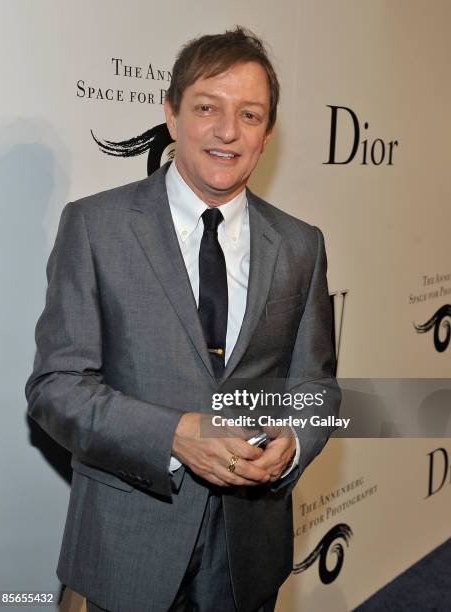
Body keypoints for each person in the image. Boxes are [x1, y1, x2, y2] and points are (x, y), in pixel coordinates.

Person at [26, 27, 340, 612]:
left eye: (249, 114)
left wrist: (295, 439)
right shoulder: (96, 227)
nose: (227, 132)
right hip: (126, 544)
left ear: (268, 132)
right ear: (171, 116)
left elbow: (316, 388)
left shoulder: (301, 245)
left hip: (249, 551)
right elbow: (55, 388)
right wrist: (173, 435)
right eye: (206, 108)